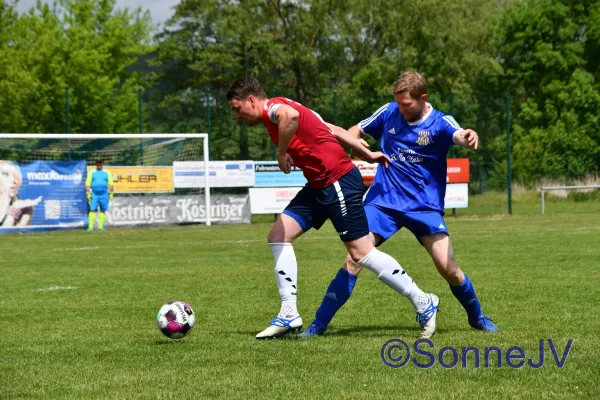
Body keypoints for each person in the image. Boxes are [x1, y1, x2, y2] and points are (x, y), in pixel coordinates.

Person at [227, 77, 440, 340]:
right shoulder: (289, 104)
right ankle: (288, 312)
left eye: (237, 108)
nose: (237, 115)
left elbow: (289, 117)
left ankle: (423, 301)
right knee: (278, 236)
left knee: (361, 252)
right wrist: (366, 155)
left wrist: (281, 153)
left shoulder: (275, 108)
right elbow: (333, 129)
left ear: (251, 100)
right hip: (319, 184)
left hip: (336, 180)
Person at [299, 71, 499, 338]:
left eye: (407, 104)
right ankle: (318, 325)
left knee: (447, 267)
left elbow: (458, 134)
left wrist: (467, 136)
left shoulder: (439, 122)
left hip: (424, 207)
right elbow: (355, 130)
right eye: (398, 103)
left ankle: (477, 317)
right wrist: (353, 142)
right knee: (355, 257)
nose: (401, 109)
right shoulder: (389, 111)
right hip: (383, 202)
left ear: (423, 98)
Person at [0, 160, 42, 227]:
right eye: (6, 175)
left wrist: (17, 209)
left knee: (28, 208)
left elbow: (17, 234)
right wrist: (14, 209)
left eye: (16, 175)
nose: (14, 181)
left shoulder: (14, 201)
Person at [86, 159, 113, 231]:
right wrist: (88, 193)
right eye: (98, 164)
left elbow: (110, 184)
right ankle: (90, 226)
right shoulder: (91, 173)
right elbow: (87, 184)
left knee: (103, 210)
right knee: (92, 210)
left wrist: (111, 193)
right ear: (96, 164)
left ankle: (101, 226)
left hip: (104, 194)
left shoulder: (107, 173)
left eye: (100, 164)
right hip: (94, 194)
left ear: (102, 164)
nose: (99, 165)